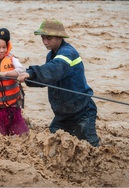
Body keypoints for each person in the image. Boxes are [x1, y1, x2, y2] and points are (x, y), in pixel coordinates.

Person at [17, 19, 100, 147]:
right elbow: (47, 78)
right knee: (52, 143)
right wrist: (27, 77)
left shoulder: (68, 53)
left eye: (48, 38)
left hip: (81, 111)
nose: (45, 42)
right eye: (43, 38)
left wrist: (32, 73)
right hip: (63, 114)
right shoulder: (51, 55)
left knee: (91, 148)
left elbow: (54, 69)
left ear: (59, 37)